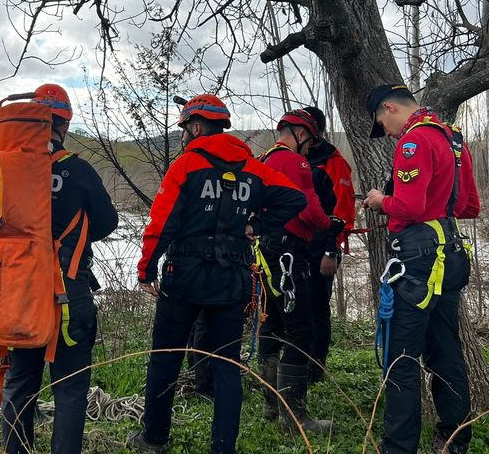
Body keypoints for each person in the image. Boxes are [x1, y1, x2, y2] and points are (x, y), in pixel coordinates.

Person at [127, 94, 308, 454]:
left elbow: (162, 223)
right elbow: (295, 199)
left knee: (166, 357)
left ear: (195, 127)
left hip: (185, 276)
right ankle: (223, 447)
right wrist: (256, 224)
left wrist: (146, 269)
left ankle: (154, 439)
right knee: (227, 364)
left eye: (184, 130)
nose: (183, 137)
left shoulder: (186, 164)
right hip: (231, 278)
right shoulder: (254, 168)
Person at [0, 83, 119, 454]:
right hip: (69, 293)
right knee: (70, 389)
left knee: (19, 383)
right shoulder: (78, 171)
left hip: (20, 293)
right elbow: (107, 223)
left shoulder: (7, 169)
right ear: (64, 125)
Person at [362, 85, 481, 454]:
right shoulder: (453, 140)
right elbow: (469, 206)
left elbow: (410, 207)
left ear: (389, 107)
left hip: (418, 260)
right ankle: (453, 440)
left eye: (383, 125)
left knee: (401, 358)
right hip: (449, 253)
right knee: (446, 350)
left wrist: (382, 201)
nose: (388, 133)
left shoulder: (413, 141)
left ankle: (398, 448)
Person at [255, 109, 343, 434]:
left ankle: (271, 403)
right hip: (288, 252)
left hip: (266, 251)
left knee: (273, 323)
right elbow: (308, 206)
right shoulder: (296, 162)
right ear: (302, 135)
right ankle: (293, 418)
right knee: (300, 330)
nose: (308, 151)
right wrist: (329, 224)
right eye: (309, 144)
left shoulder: (263, 160)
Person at [302, 106, 355, 384]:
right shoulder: (292, 158)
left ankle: (315, 367)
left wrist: (331, 250)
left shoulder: (333, 162)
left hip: (321, 248)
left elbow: (344, 212)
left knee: (317, 308)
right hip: (294, 248)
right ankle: (296, 361)